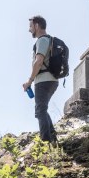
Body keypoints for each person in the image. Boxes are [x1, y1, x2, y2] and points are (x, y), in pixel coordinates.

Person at [22, 15, 58, 144]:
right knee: (42, 110)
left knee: (40, 111)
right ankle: (53, 140)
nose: (29, 30)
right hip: (52, 80)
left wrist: (29, 81)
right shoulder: (49, 40)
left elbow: (38, 62)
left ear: (37, 26)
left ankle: (46, 142)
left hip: (44, 81)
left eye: (31, 26)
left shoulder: (42, 40)